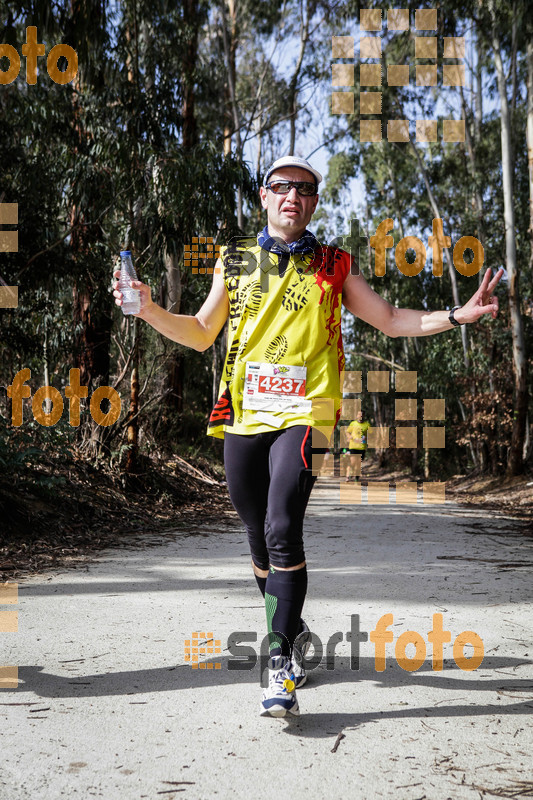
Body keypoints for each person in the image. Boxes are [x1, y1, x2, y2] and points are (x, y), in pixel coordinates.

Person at [113, 154, 503, 718]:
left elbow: (391, 319)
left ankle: (277, 668)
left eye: (306, 189)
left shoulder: (333, 264)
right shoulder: (237, 260)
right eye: (282, 186)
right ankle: (292, 635)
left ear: (315, 202)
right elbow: (201, 334)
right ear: (265, 197)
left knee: (280, 526)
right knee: (255, 534)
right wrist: (148, 309)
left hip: (309, 414)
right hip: (244, 415)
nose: (293, 196)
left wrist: (456, 315)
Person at [345, 409, 371, 482]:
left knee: (359, 463)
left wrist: (367, 437)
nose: (360, 416)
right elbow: (347, 432)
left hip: (362, 447)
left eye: (362, 415)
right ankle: (348, 476)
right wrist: (349, 437)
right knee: (352, 462)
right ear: (356, 416)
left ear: (364, 416)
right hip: (353, 446)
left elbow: (371, 434)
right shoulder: (353, 423)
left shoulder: (367, 424)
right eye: (359, 414)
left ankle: (356, 478)